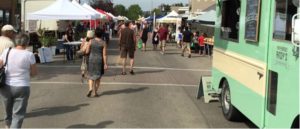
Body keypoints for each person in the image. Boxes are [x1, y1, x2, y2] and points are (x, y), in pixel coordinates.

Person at [0, 34, 37, 128]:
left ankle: (8, 125)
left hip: (5, 86)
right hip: (22, 86)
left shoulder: (6, 51)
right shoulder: (29, 55)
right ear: (27, 43)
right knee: (18, 114)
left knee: (7, 110)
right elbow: (34, 73)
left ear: (15, 41)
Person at [85, 28, 108, 97]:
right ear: (101, 35)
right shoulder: (103, 43)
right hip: (99, 61)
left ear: (95, 34)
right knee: (98, 78)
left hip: (91, 60)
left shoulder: (91, 41)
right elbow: (104, 55)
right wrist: (105, 64)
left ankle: (90, 88)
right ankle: (95, 92)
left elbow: (87, 52)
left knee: (91, 76)